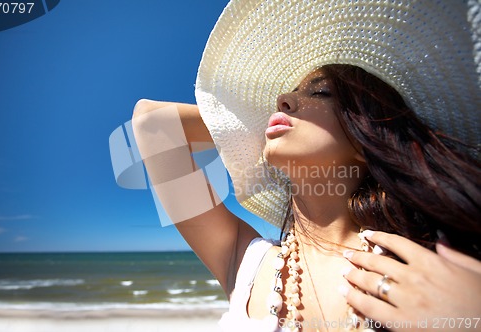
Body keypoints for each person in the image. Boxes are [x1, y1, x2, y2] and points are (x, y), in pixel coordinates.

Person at [128, 0, 481, 331]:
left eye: (321, 92)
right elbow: (152, 122)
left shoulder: (431, 262)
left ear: (364, 140)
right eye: (288, 95)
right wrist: (266, 123)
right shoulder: (245, 262)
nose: (283, 100)